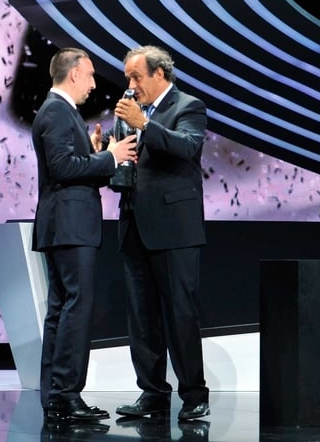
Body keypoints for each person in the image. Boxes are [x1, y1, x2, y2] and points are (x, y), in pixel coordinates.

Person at [32, 47, 137, 421]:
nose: (94, 85)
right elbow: (62, 167)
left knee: (61, 309)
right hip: (69, 224)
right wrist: (111, 156)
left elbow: (70, 164)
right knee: (76, 307)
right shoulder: (58, 110)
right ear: (74, 73)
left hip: (63, 223)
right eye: (91, 76)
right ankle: (67, 394)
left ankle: (56, 395)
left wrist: (95, 155)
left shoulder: (59, 111)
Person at [112, 45, 210, 421]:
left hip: (174, 227)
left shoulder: (188, 105)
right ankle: (152, 393)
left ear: (160, 74)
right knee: (142, 314)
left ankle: (194, 395)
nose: (131, 85)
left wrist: (144, 125)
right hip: (134, 221)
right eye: (127, 78)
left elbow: (187, 147)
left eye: (136, 77)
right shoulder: (130, 109)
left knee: (180, 313)